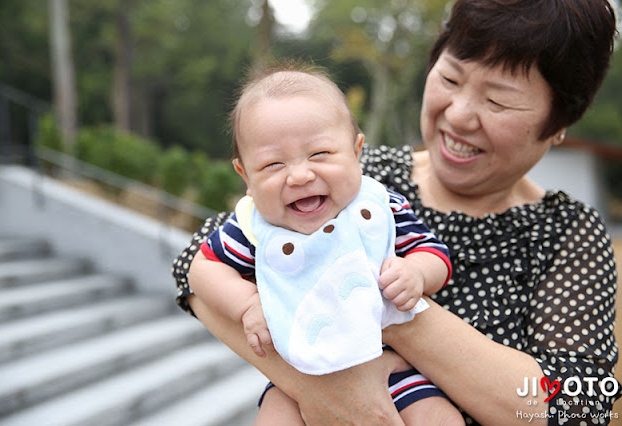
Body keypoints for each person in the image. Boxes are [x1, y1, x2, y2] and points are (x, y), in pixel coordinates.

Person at [172, 0, 620, 423]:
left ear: (558, 123)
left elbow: (579, 407)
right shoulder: (365, 175)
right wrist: (315, 390)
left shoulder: (566, 235)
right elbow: (196, 264)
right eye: (450, 79)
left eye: (497, 100)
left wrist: (388, 307)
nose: (459, 114)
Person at [190, 63, 463, 425]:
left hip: (393, 366)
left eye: (319, 154)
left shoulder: (380, 208)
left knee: (441, 419)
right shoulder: (255, 229)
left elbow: (435, 254)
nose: (300, 175)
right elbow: (203, 269)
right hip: (301, 372)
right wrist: (248, 305)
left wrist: (416, 272)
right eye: (273, 165)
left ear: (356, 151)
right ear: (245, 175)